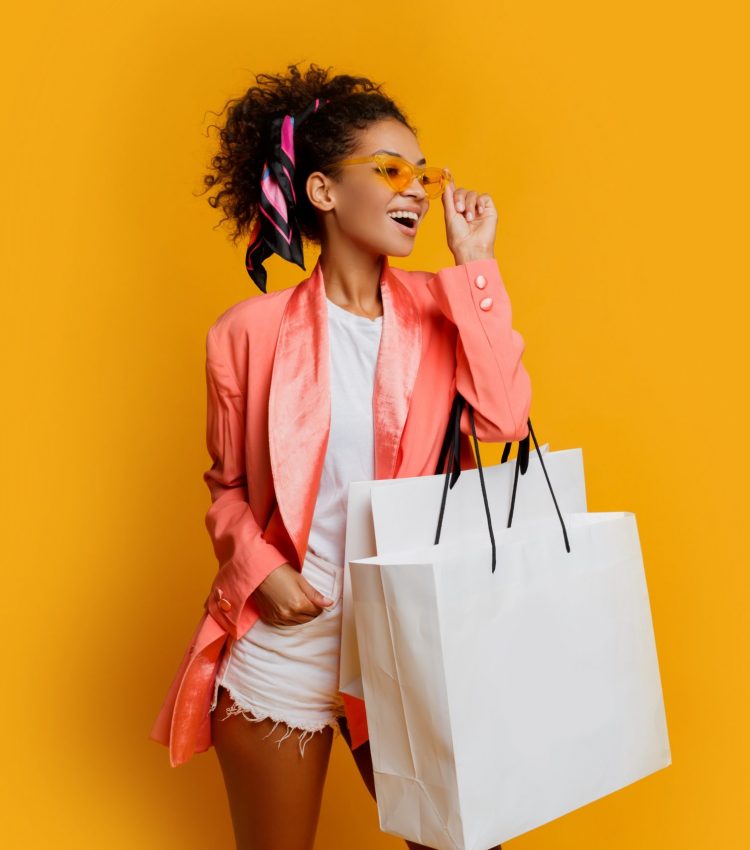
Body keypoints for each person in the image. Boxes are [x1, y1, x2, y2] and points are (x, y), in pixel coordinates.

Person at [149, 61, 532, 850]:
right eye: (390, 170)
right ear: (322, 192)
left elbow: (503, 418)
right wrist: (260, 570)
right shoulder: (244, 333)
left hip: (404, 635)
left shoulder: (443, 308)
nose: (416, 191)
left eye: (421, 173)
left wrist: (475, 266)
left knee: (464, 840)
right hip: (285, 640)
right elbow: (225, 489)